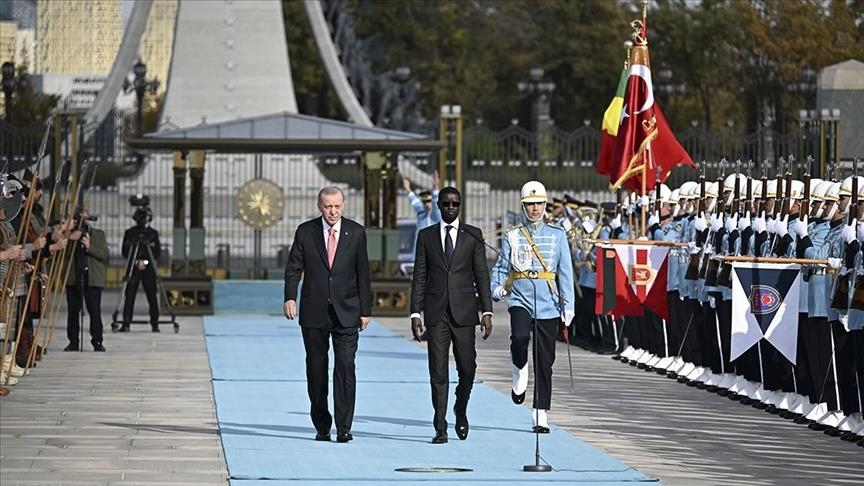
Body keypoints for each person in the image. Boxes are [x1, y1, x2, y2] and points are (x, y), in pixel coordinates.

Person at [283, 186, 372, 444]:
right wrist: (290, 297)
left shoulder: (356, 232)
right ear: (319, 206)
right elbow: (293, 267)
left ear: (343, 205)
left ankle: (344, 427)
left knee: (345, 367)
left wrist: (365, 310)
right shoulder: (305, 231)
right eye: (328, 206)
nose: (333, 211)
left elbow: (363, 273)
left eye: (337, 206)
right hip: (314, 312)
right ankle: (322, 425)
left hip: (347, 311)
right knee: (316, 369)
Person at [410, 186, 493, 444]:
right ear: (438, 205)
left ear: (460, 205)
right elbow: (419, 276)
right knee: (437, 371)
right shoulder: (426, 236)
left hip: (465, 313)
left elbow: (482, 275)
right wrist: (415, 312)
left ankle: (460, 407)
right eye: (446, 204)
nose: (450, 208)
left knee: (467, 368)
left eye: (455, 204)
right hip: (436, 314)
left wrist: (486, 310)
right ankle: (440, 427)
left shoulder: (473, 235)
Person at [490, 180, 575, 433]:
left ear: (545, 205)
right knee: (519, 337)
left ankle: (540, 413)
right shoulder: (512, 235)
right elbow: (502, 267)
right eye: (530, 204)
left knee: (545, 361)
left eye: (538, 203)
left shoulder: (557, 235)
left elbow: (565, 272)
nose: (535, 208)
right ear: (523, 206)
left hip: (549, 302)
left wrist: (568, 305)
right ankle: (519, 366)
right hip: (520, 298)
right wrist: (496, 287)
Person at [64, 208, 108, 352]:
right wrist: (70, 238)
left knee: (94, 311)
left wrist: (89, 247)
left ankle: (97, 341)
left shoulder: (98, 234)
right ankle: (73, 341)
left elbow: (103, 255)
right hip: (74, 278)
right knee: (73, 311)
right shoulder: (69, 235)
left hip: (92, 278)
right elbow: (63, 255)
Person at [120, 205, 161, 332]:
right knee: (129, 296)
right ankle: (126, 322)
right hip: (133, 268)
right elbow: (125, 251)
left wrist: (146, 262)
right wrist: (136, 262)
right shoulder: (130, 233)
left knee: (152, 296)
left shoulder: (153, 234)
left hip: (149, 270)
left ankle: (155, 323)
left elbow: (157, 252)